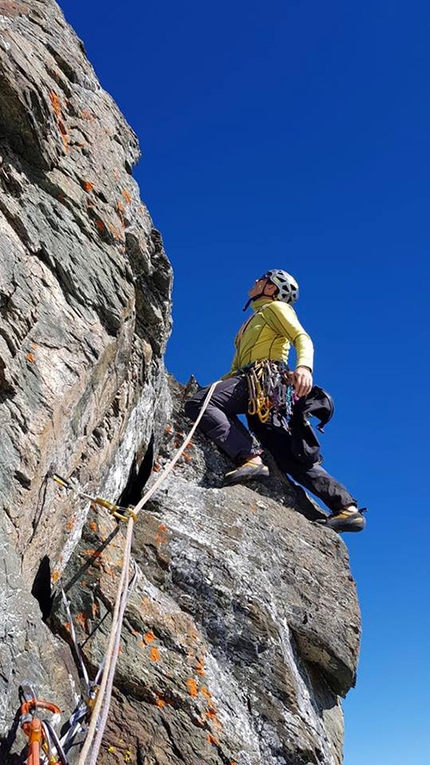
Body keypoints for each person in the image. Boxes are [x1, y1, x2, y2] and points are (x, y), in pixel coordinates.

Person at [185, 270, 366, 533]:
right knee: (286, 454)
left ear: (271, 289)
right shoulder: (249, 324)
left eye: (262, 279)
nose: (256, 281)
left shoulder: (276, 308)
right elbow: (236, 367)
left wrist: (304, 368)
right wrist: (220, 383)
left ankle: (249, 457)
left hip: (263, 379)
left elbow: (301, 338)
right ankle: (345, 508)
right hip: (261, 386)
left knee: (200, 402)